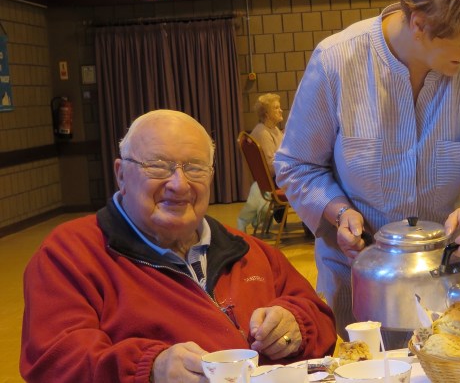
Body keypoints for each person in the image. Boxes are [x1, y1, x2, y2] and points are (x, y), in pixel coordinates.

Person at [274, 0, 460, 344]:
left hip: (454, 279)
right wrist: (338, 211)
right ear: (419, 24)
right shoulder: (337, 61)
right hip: (364, 280)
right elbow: (297, 165)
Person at [20, 110, 336, 382]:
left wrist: (296, 325)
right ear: (121, 175)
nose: (179, 184)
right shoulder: (71, 255)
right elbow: (55, 362)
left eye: (195, 167)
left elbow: (319, 319)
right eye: (158, 166)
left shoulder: (248, 250)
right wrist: (150, 368)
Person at [237, 93, 285, 232]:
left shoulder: (273, 129)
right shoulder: (263, 133)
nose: (281, 110)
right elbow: (271, 167)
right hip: (275, 181)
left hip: (278, 178)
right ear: (267, 114)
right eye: (276, 108)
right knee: (310, 181)